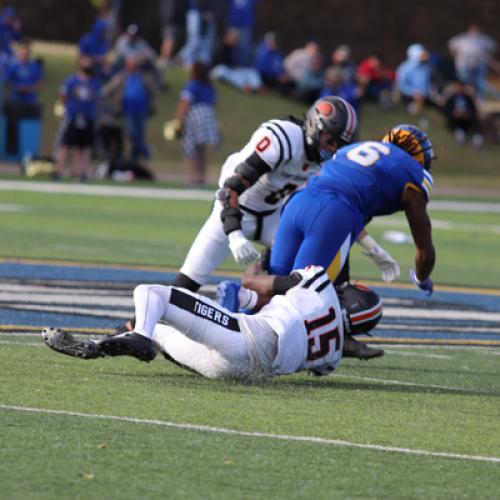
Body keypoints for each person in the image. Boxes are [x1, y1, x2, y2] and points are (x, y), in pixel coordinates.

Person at [172, 96, 398, 294]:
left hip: (273, 217)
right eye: (330, 142)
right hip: (233, 209)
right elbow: (230, 189)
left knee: (325, 243)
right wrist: (235, 235)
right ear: (314, 126)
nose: (333, 151)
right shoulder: (283, 137)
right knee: (188, 281)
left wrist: (372, 247)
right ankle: (138, 330)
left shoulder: (323, 161)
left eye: (340, 146)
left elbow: (336, 213)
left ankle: (328, 318)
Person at [42, 263, 383, 380]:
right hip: (237, 371)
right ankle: (95, 346)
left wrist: (255, 267)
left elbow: (256, 284)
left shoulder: (320, 282)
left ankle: (141, 337)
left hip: (246, 335)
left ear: (349, 298)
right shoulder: (333, 359)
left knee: (150, 295)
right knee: (158, 328)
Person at [267, 124, 436, 299]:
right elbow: (425, 252)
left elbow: (337, 192)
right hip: (333, 212)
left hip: (297, 202)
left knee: (269, 288)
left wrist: (374, 249)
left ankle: (243, 307)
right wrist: (421, 279)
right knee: (300, 295)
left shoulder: (351, 150)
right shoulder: (412, 172)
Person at [54, 56, 101, 181]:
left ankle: (82, 172)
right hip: (73, 116)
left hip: (87, 117)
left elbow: (97, 96)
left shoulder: (93, 81)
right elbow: (63, 94)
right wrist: (67, 108)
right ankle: (59, 171)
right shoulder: (72, 80)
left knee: (84, 146)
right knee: (66, 143)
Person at [173, 61, 219, 186]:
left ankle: (191, 177)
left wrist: (179, 120)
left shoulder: (192, 85)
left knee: (191, 148)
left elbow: (184, 103)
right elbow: (214, 103)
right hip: (208, 116)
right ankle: (201, 177)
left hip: (194, 116)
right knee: (202, 150)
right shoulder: (209, 85)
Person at [102, 54, 156, 161]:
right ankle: (145, 151)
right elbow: (108, 89)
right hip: (127, 110)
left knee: (140, 134)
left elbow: (152, 92)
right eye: (130, 64)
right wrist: (100, 94)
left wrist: (153, 105)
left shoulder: (143, 76)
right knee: (131, 132)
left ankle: (134, 156)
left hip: (142, 110)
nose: (132, 66)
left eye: (133, 64)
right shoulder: (122, 76)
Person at [4, 39, 43, 156]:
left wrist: (29, 88)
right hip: (16, 102)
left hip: (30, 102)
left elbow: (40, 84)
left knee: (31, 127)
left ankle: (30, 152)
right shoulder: (14, 66)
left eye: (27, 52)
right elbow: (7, 82)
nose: (25, 54)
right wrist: (18, 87)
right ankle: (12, 151)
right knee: (13, 125)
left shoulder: (34, 67)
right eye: (23, 52)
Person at [448, 23, 499, 99]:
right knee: (464, 83)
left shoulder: (483, 39)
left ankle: (480, 100)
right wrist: (455, 56)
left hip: (478, 65)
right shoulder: (462, 38)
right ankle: (464, 99)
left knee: (481, 83)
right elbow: (451, 44)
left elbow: (493, 47)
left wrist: (490, 58)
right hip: (464, 66)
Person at [113, 24, 165, 91]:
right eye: (131, 35)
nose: (132, 37)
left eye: (134, 35)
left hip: (138, 63)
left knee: (151, 63)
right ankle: (114, 81)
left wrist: (147, 55)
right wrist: (137, 56)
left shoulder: (140, 41)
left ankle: (160, 84)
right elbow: (121, 53)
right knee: (118, 62)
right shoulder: (122, 40)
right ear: (127, 34)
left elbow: (151, 53)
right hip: (124, 63)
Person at [442, 81, 483, 148]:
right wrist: (454, 113)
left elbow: (473, 110)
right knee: (455, 122)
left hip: (466, 119)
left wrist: (468, 114)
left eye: (462, 87)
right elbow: (447, 110)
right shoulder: (452, 98)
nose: (460, 89)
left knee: (476, 122)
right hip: (455, 119)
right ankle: (459, 136)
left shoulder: (468, 98)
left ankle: (477, 139)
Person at [396, 44, 432, 117]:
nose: (425, 56)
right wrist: (413, 92)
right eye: (422, 54)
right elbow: (400, 85)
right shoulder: (405, 68)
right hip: (409, 96)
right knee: (414, 110)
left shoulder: (426, 67)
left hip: (424, 97)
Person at [226, 0, 259, 67]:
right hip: (233, 23)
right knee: (231, 46)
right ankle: (230, 66)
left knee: (244, 48)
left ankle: (243, 67)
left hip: (246, 25)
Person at [158, 0, 187, 67]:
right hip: (171, 20)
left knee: (167, 40)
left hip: (167, 19)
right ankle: (165, 60)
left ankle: (164, 59)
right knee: (169, 40)